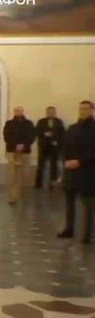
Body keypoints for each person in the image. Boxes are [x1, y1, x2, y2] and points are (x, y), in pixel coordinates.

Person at [57, 100, 95, 244]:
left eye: (85, 109)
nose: (82, 111)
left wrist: (79, 161)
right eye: (80, 109)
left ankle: (87, 234)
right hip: (71, 170)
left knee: (88, 204)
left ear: (92, 110)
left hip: (88, 170)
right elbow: (64, 147)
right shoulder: (72, 128)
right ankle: (69, 229)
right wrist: (66, 161)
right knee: (69, 201)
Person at [3, 106, 36, 205]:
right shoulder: (9, 123)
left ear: (23, 112)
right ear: (14, 112)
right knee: (12, 176)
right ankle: (12, 197)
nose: (18, 112)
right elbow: (6, 136)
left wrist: (23, 145)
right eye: (16, 111)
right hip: (12, 152)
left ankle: (25, 196)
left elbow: (32, 136)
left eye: (20, 111)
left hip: (25, 152)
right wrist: (15, 145)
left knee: (25, 175)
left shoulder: (29, 123)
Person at [35, 106, 65, 188]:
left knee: (54, 166)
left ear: (55, 113)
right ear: (46, 113)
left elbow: (62, 134)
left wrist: (57, 142)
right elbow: (37, 132)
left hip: (54, 147)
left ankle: (52, 183)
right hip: (43, 146)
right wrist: (45, 134)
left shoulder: (59, 122)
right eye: (49, 112)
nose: (51, 113)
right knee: (41, 165)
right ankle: (38, 184)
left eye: (53, 112)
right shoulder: (41, 121)